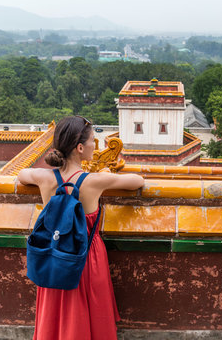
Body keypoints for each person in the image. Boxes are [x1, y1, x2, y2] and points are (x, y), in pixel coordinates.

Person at [18, 116, 144, 340]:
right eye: (93, 141)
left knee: (56, 312)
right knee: (89, 312)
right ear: (79, 147)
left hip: (54, 254)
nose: (94, 146)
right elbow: (138, 181)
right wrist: (108, 175)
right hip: (87, 256)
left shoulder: (44, 178)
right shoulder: (95, 181)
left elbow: (21, 175)